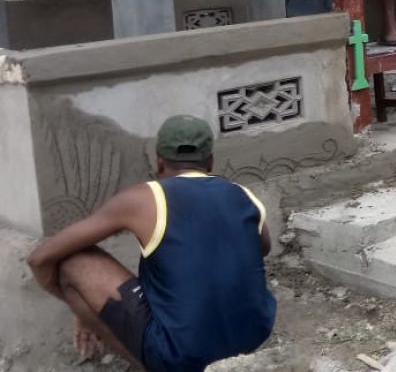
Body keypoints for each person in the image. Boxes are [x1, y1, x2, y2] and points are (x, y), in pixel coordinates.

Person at [26, 116, 276, 371]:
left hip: (181, 356)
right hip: (252, 338)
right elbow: (262, 248)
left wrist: (83, 310)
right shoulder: (242, 194)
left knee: (72, 261)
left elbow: (40, 259)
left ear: (158, 160)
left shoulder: (144, 198)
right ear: (210, 161)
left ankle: (150, 365)